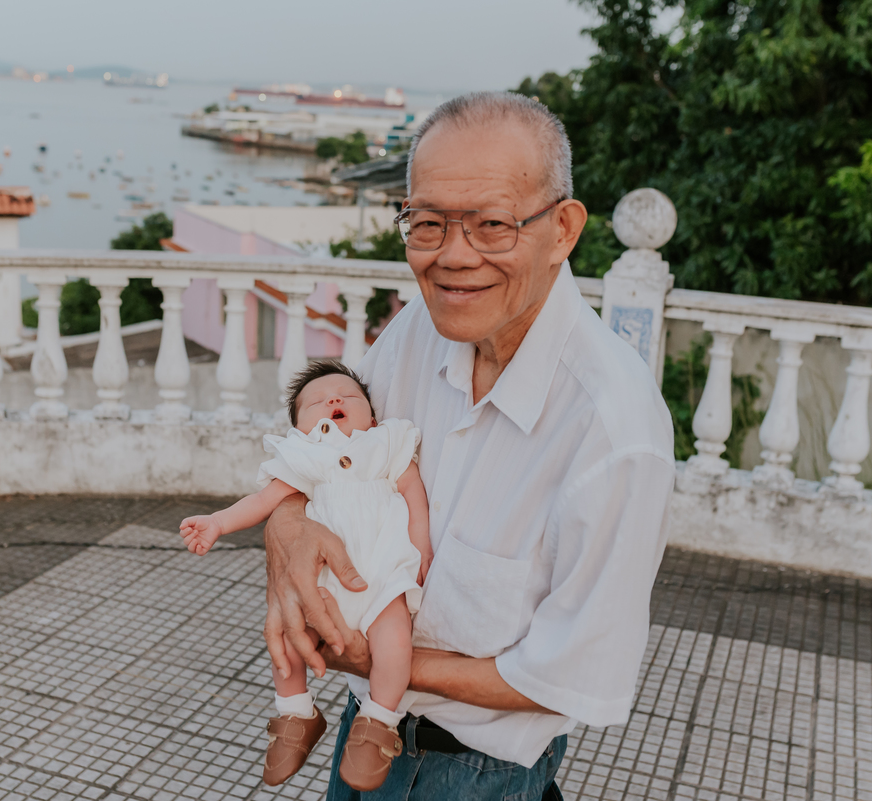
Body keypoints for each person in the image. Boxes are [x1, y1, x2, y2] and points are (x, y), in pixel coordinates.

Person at [263, 91, 676, 800]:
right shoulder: (418, 332)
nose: (453, 259)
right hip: (367, 733)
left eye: (492, 225)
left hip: (479, 777)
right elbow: (331, 448)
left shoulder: (614, 433)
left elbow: (569, 674)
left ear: (564, 228)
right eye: (426, 224)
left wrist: (379, 657)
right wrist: (286, 526)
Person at [180, 361, 434, 790]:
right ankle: (295, 711)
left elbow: (414, 492)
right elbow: (263, 501)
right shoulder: (304, 459)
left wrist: (421, 543)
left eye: (347, 395)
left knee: (395, 644)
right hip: (322, 582)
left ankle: (378, 723)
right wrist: (219, 522)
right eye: (317, 401)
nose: (333, 400)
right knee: (286, 635)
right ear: (300, 429)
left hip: (383, 574)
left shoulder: (385, 443)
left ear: (371, 416)